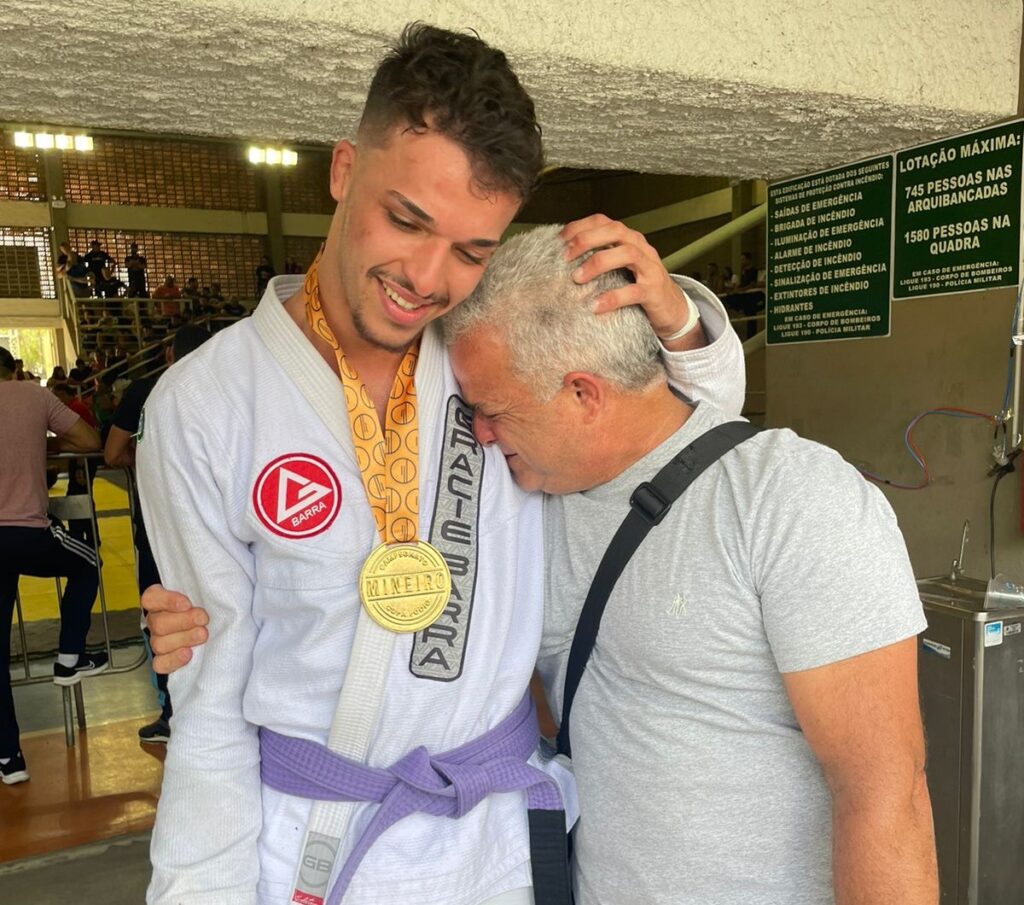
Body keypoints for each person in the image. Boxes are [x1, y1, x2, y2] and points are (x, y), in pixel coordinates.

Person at [149, 225, 940, 904]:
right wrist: (209, 614)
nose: (480, 435)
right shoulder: (536, 503)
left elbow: (886, 791)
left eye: (492, 410)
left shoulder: (793, 498)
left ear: (584, 395)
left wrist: (682, 316)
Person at [136, 23, 743, 905]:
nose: (427, 278)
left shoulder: (492, 352)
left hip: (492, 842)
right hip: (310, 844)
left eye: (471, 251)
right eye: (406, 220)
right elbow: (211, 701)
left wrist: (677, 323)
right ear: (344, 170)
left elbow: (683, 435)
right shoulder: (205, 405)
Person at [0, 345, 110, 786]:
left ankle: (10, 759)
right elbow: (90, 442)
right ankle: (69, 657)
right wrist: (40, 443)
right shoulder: (32, 394)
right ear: (13, 370)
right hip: (28, 531)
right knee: (89, 564)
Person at [105, 325, 212, 745]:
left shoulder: (146, 391)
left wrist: (147, 457)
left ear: (169, 354)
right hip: (216, 523)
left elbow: (112, 452)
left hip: (158, 526)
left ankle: (172, 715)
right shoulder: (228, 388)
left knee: (164, 616)